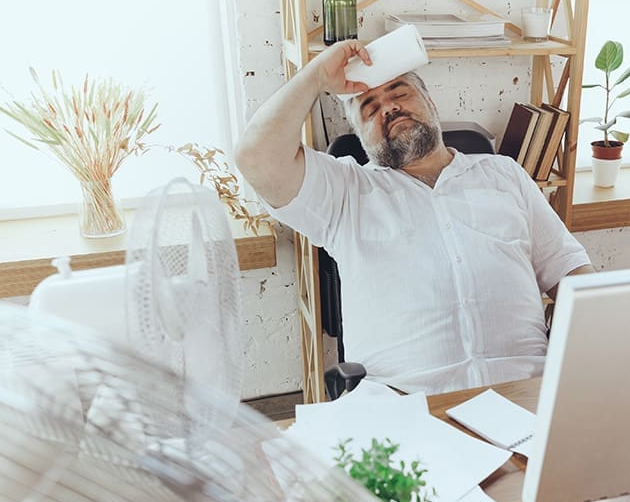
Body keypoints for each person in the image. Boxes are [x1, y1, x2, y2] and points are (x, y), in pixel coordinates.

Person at [235, 40, 594, 394]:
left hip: (526, 391)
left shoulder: (504, 175)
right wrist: (315, 77)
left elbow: (573, 275)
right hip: (408, 405)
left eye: (399, 93)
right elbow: (256, 157)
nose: (388, 108)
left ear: (430, 102)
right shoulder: (345, 192)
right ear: (360, 136)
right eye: (369, 107)